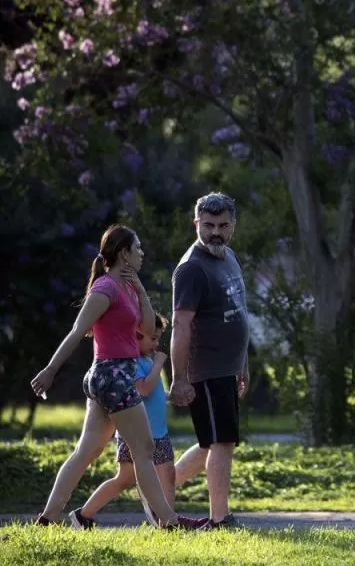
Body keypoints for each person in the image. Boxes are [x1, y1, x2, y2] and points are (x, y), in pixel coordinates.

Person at [29, 225, 204, 530]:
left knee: (88, 451)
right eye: (138, 248)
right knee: (144, 450)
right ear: (124, 253)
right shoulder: (105, 288)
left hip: (110, 377)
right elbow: (76, 332)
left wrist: (141, 290)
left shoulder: (127, 288)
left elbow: (149, 329)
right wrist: (50, 369)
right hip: (112, 375)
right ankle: (170, 521)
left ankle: (47, 519)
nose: (142, 253)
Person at [168, 193, 250, 530]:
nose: (216, 232)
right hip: (207, 368)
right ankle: (219, 519)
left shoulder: (227, 256)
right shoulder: (192, 268)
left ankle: (157, 490)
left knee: (208, 444)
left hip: (228, 368)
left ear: (233, 225)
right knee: (222, 442)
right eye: (209, 225)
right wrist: (179, 377)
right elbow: (180, 325)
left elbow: (238, 311)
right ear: (196, 224)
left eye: (223, 225)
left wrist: (242, 363)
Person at [73, 314, 173, 527]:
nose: (156, 344)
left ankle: (168, 525)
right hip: (135, 434)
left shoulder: (148, 359)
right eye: (152, 339)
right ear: (135, 336)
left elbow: (153, 391)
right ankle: (84, 515)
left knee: (167, 475)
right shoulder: (131, 363)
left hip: (160, 431)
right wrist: (159, 365)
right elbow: (143, 389)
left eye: (158, 339)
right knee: (125, 479)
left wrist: (169, 395)